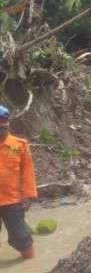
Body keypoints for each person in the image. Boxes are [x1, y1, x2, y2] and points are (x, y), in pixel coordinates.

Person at [0, 105, 37, 259]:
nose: (1, 125)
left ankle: (31, 265)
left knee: (21, 238)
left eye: (4, 121)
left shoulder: (19, 145)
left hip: (13, 201)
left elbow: (27, 172)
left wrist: (28, 196)